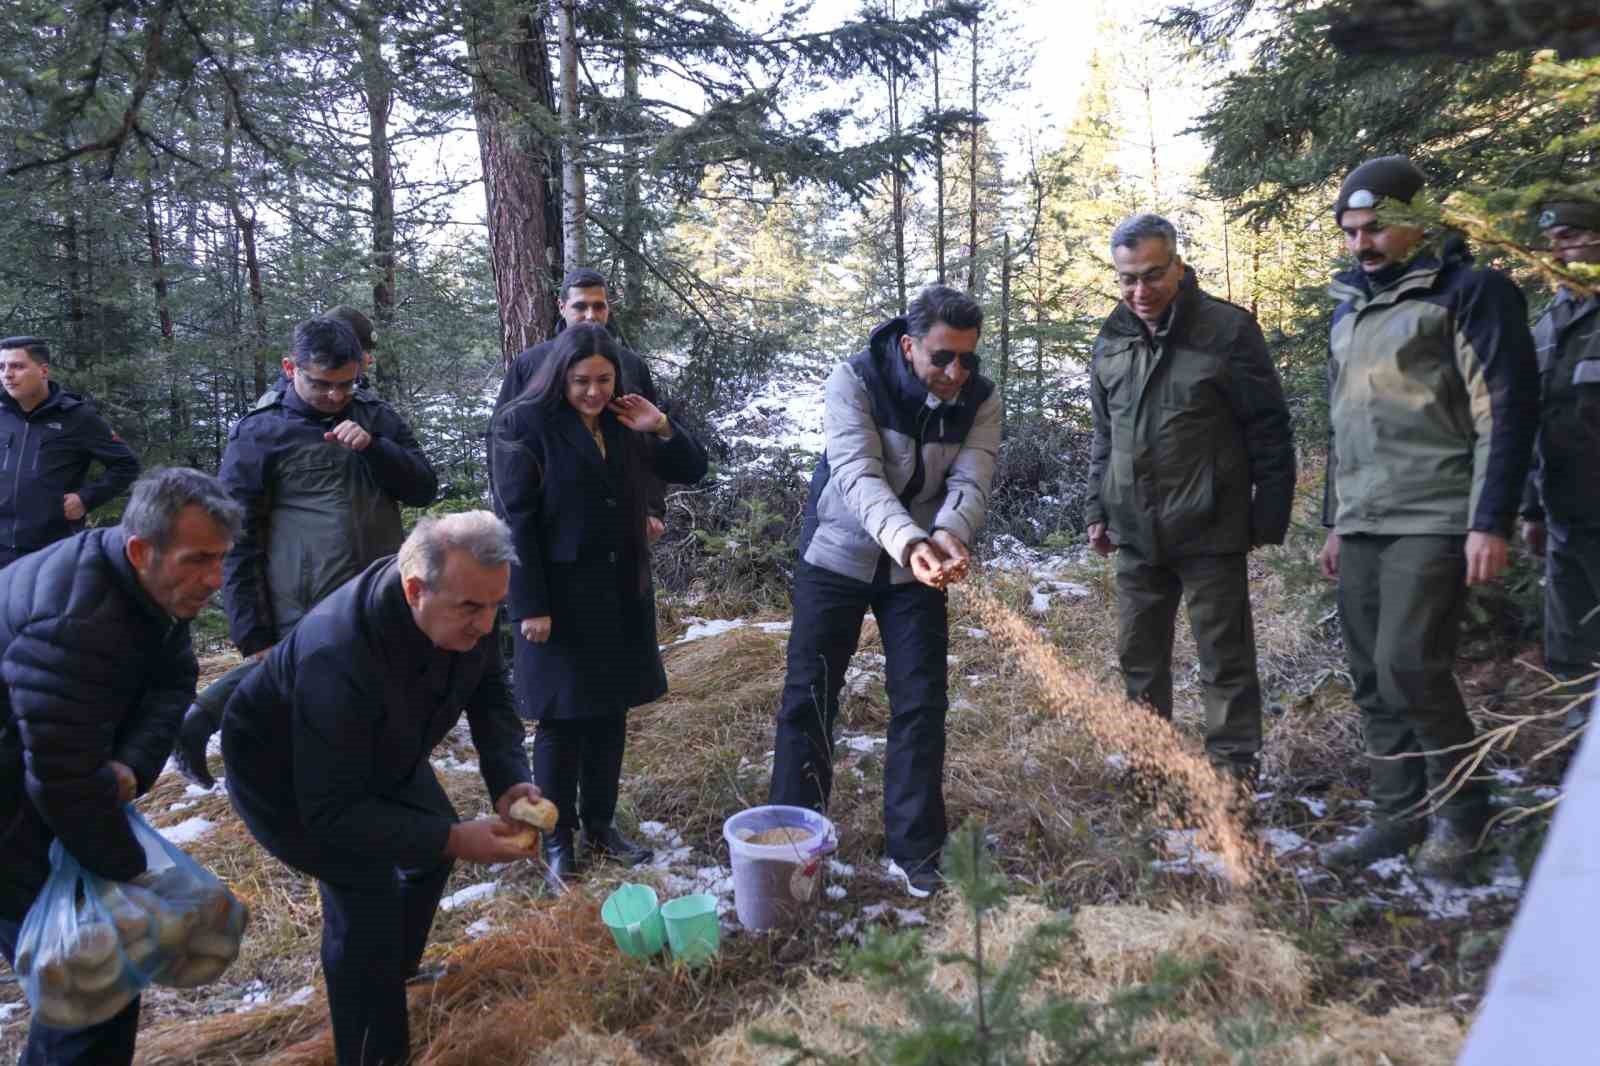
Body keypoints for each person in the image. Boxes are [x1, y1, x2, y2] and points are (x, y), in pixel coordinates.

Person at [220, 512, 540, 1066]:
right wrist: (457, 838)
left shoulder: (465, 603)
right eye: (471, 609)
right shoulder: (337, 654)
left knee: (428, 852)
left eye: (497, 607)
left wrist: (510, 782)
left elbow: (489, 697)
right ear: (415, 589)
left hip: (382, 746)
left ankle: (394, 971)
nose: (487, 626)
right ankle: (373, 1042)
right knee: (365, 896)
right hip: (289, 778)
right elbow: (334, 813)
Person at [1317, 156, 1539, 879]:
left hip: (1437, 514)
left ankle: (1464, 813)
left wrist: (1491, 519)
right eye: (1351, 233)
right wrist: (1333, 521)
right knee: (1370, 674)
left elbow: (1502, 409)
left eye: (1377, 227)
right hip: (1364, 520)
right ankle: (1396, 816)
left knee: (1410, 663)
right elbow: (1340, 423)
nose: (1362, 244)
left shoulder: (1470, 294)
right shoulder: (1350, 309)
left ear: (1421, 218)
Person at [0, 468, 240, 1066]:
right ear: (141, 549)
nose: (214, 579)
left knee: (98, 979)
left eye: (222, 559)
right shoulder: (72, 619)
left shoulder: (145, 586)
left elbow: (173, 680)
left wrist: (132, 765)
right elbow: (63, 781)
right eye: (198, 560)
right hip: (14, 803)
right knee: (90, 975)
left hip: (36, 783)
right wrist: (139, 879)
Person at [768, 284, 1001, 898]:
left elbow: (973, 477)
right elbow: (856, 476)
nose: (956, 372)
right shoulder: (856, 380)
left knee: (921, 701)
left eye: (968, 359)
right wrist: (910, 541)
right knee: (809, 696)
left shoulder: (980, 398)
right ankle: (795, 839)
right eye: (942, 357)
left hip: (916, 568)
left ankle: (916, 847)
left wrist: (949, 534)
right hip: (838, 555)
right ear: (908, 345)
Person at [173, 315, 437, 787]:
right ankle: (209, 731)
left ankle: (203, 722)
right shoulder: (261, 432)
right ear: (290, 367)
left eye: (346, 384)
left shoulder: (375, 416)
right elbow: (236, 535)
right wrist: (252, 630)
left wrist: (376, 449)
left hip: (376, 587)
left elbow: (422, 487)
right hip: (300, 595)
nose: (336, 396)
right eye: (322, 384)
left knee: (358, 700)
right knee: (296, 688)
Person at [490, 323, 707, 892]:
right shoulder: (523, 424)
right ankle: (556, 839)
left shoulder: (624, 420)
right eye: (581, 380)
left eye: (603, 380)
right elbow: (518, 522)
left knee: (610, 714)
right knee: (562, 723)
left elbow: (694, 469)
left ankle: (601, 826)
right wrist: (529, 604)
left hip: (620, 591)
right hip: (557, 598)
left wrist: (658, 425)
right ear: (559, 375)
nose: (592, 391)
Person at [1085, 214, 1296, 782]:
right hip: (1134, 531)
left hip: (1211, 526)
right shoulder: (1112, 337)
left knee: (1224, 661)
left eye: (1152, 275)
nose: (1139, 291)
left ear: (1178, 265)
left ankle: (1232, 776)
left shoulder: (1226, 330)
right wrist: (1096, 509)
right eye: (1126, 279)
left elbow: (1270, 429)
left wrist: (1266, 517)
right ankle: (1149, 769)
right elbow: (1105, 434)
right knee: (1139, 662)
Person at [494, 267, 667, 540]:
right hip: (552, 524)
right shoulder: (530, 365)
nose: (591, 315)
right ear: (562, 307)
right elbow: (501, 442)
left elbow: (649, 445)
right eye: (580, 306)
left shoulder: (631, 366)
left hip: (622, 518)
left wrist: (652, 509)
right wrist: (509, 521)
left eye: (599, 306)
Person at [1520, 196, 1600, 733]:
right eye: (1551, 242)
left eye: (1571, 236)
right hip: (1566, 522)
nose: (1559, 250)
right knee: (1572, 657)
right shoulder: (1548, 325)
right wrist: (1531, 509)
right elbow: (1532, 426)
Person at [0, 336, 141, 569]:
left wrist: (86, 499)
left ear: (43, 370)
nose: (7, 374)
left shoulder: (77, 417)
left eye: (17, 366)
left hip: (51, 552)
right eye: (2, 367)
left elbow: (126, 465)